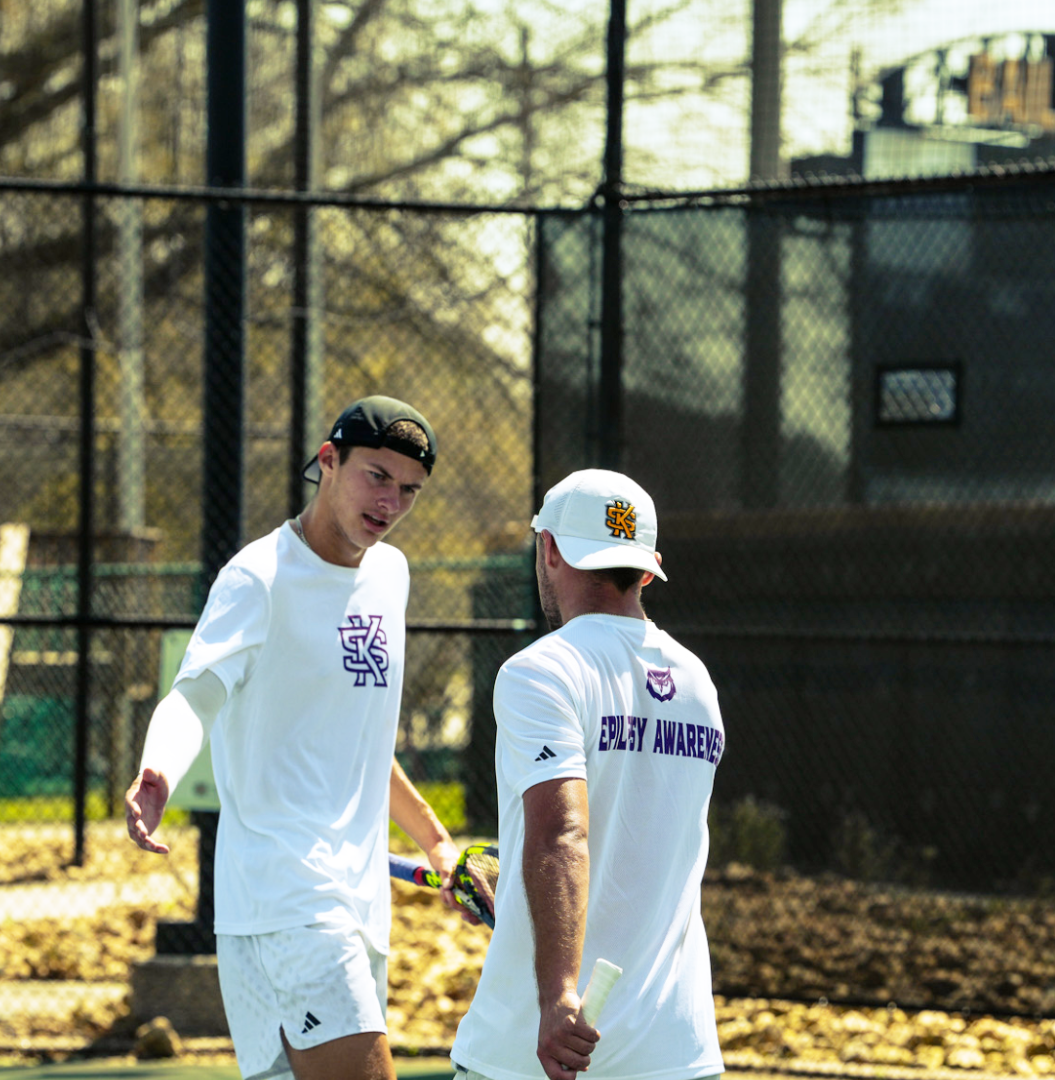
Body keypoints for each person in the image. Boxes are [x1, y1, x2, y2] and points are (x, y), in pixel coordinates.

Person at [126, 396, 468, 1080]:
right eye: (377, 476)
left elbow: (357, 742)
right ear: (328, 461)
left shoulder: (391, 575)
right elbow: (195, 696)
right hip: (291, 900)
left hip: (353, 905)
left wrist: (436, 842)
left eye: (409, 490)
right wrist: (158, 768)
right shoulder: (257, 578)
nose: (391, 502)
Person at [452, 469, 725, 1080]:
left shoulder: (540, 671)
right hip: (676, 1054)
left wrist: (558, 996)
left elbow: (562, 835)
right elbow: (636, 836)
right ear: (648, 569)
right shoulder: (698, 682)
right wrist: (512, 877)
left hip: (540, 1052)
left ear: (548, 549)